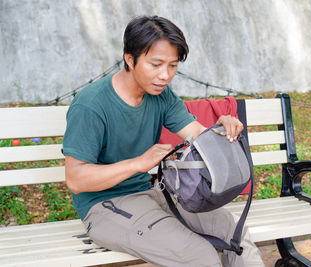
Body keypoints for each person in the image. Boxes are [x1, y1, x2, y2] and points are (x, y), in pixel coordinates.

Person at [63, 15, 264, 267]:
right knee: (199, 255)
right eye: (156, 64)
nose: (165, 75)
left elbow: (197, 134)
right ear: (129, 59)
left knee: (235, 232)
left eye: (172, 66)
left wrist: (221, 129)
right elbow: (76, 179)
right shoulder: (91, 105)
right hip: (104, 206)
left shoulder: (161, 94)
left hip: (154, 193)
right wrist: (138, 164)